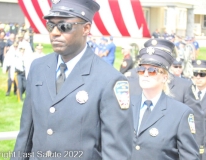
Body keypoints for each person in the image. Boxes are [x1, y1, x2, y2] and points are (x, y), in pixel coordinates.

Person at [12, 0, 133, 160]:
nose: (54, 32)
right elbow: (26, 134)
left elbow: (116, 153)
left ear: (86, 28)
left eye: (64, 26)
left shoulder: (110, 80)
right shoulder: (38, 67)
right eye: (50, 26)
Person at [131, 39, 199, 160]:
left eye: (152, 70)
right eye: (141, 70)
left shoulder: (180, 113)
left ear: (164, 77)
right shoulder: (125, 106)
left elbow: (189, 156)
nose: (145, 74)